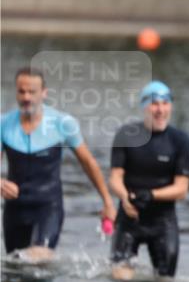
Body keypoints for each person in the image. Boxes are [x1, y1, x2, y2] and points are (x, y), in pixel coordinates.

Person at [1, 67, 116, 261]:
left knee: (38, 256)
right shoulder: (4, 124)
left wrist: (108, 202)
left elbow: (88, 162)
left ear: (44, 93)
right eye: (22, 91)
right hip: (15, 209)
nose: (27, 97)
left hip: (48, 206)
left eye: (32, 92)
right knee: (15, 267)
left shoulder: (62, 123)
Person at [108, 81, 189, 280]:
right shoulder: (126, 135)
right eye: (155, 104)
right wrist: (124, 197)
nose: (160, 110)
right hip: (129, 218)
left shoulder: (180, 140)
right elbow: (114, 178)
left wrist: (151, 195)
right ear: (144, 106)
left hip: (163, 223)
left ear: (171, 106)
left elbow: (182, 189)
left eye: (165, 103)